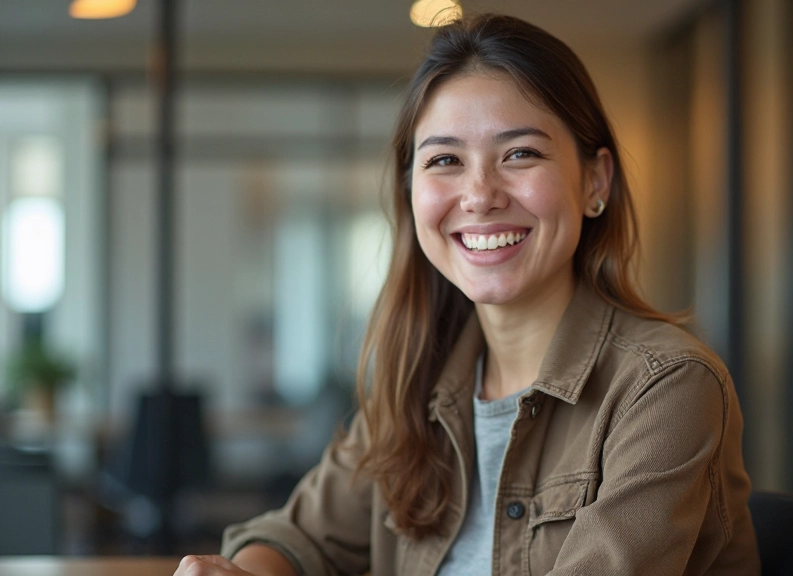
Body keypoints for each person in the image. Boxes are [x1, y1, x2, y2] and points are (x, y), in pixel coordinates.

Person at [175, 13, 760, 576]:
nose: (479, 195)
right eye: (445, 160)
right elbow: (294, 537)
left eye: (521, 154)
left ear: (595, 181)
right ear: (411, 194)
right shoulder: (419, 379)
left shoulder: (667, 385)